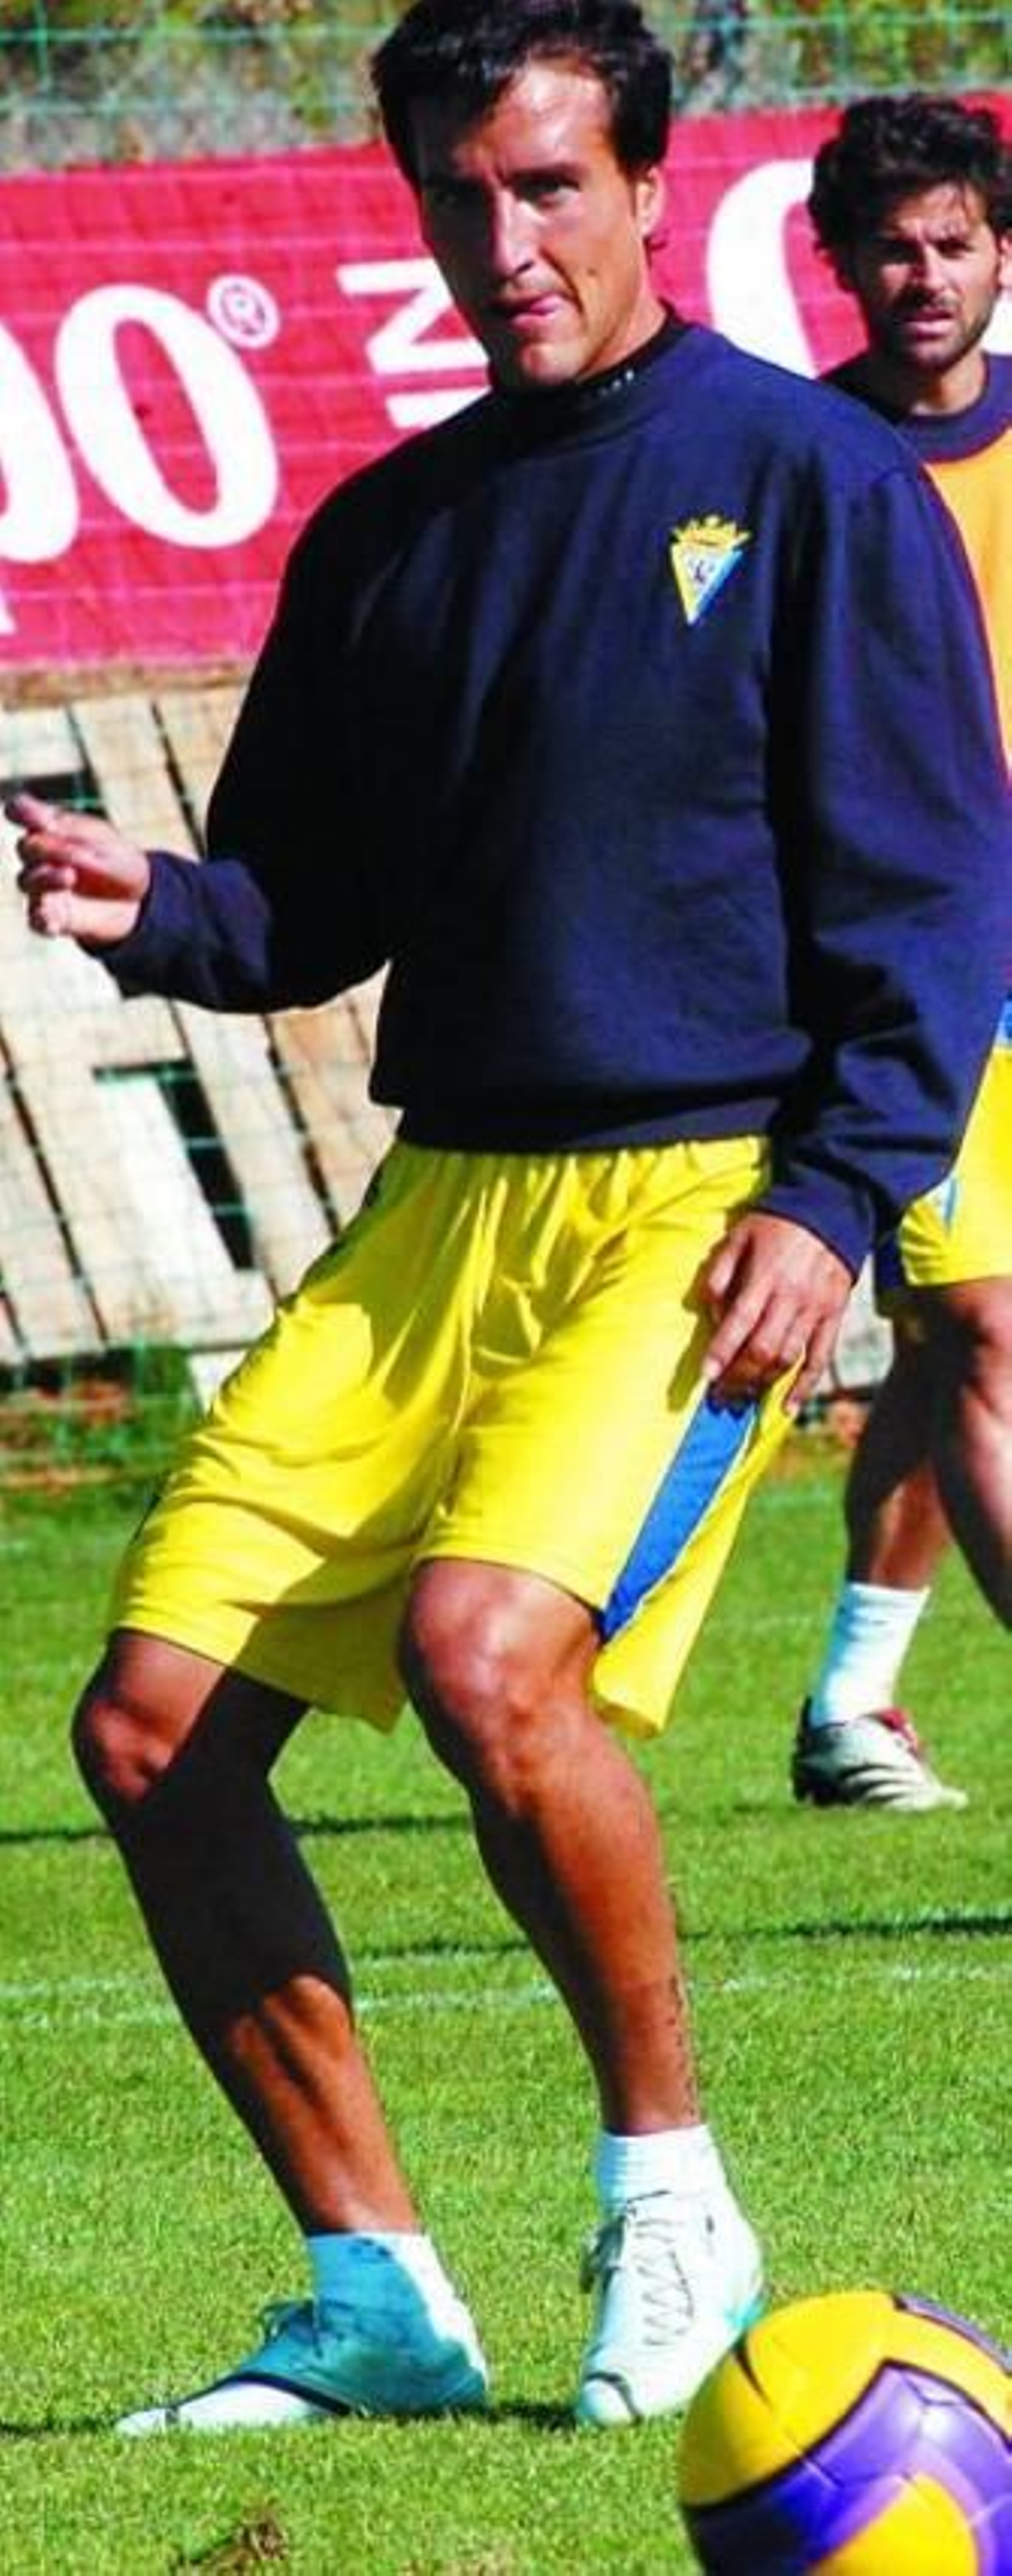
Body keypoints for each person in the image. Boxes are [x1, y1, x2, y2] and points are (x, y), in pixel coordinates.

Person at [9, 1, 1012, 2436]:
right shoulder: (394, 528)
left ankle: (674, 2197)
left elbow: (936, 887)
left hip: (694, 1209)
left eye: (550, 188)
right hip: (435, 1206)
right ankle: (376, 2297)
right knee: (148, 1730)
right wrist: (164, 900)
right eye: (460, 195)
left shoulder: (804, 484)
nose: (504, 241)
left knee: (485, 1654)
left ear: (650, 189)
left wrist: (838, 1192)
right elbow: (302, 915)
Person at [791, 94, 1012, 1813]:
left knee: (948, 1360)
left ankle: (853, 1702)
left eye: (952, 240)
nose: (923, 275)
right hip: (917, 972)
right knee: (988, 1327)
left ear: (1000, 252)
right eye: (891, 246)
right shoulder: (812, 465)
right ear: (843, 263)